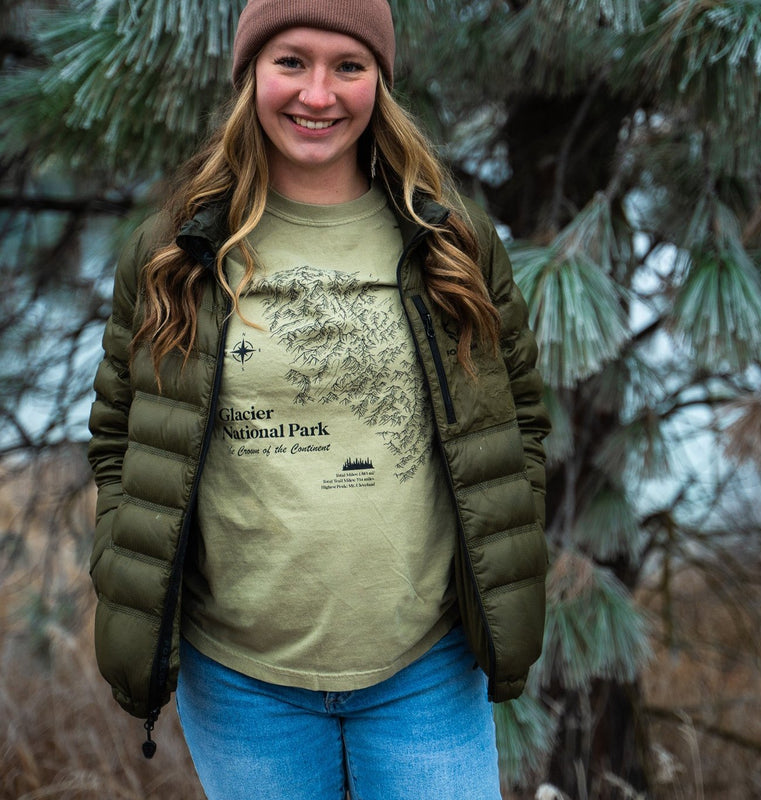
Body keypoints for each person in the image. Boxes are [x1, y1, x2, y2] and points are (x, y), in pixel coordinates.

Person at [87, 1, 549, 797]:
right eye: (291, 61)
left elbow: (519, 423)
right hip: (240, 681)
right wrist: (136, 574)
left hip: (425, 669)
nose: (319, 93)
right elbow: (119, 439)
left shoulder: (448, 240)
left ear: (381, 83)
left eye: (349, 65)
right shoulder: (176, 251)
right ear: (250, 77)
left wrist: (487, 576)